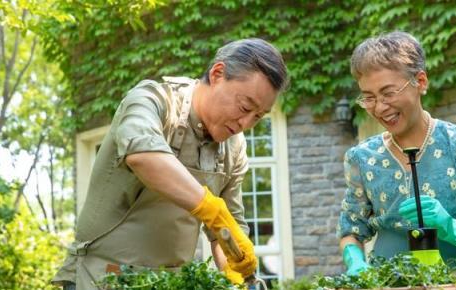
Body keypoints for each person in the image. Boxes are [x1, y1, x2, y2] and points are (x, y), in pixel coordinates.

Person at [52, 38, 288, 289]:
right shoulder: (152, 100)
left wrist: (236, 273)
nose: (245, 123)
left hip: (169, 283)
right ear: (218, 74)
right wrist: (212, 210)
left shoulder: (234, 146)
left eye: (258, 117)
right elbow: (144, 155)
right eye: (244, 107)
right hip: (99, 278)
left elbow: (228, 230)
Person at [338, 31, 456, 276]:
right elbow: (351, 231)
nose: (379, 107)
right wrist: (354, 261)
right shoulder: (362, 158)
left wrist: (451, 228)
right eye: (368, 98)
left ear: (421, 82)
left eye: (388, 93)